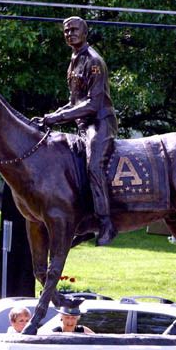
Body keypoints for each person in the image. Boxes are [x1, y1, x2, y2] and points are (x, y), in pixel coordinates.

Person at [31, 16, 118, 247]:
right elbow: (74, 102)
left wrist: (57, 118)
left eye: (74, 30)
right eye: (66, 31)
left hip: (100, 123)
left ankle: (106, 222)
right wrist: (49, 118)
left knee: (94, 165)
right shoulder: (74, 61)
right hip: (82, 125)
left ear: (85, 33)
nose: (69, 34)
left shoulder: (94, 61)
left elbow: (93, 104)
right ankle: (83, 222)